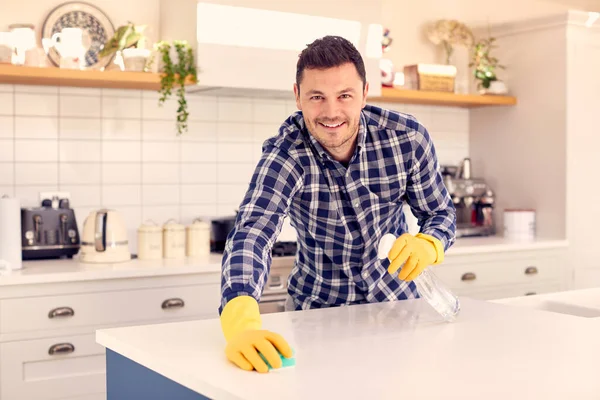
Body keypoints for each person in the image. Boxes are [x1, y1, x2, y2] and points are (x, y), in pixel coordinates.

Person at [218, 35, 456, 373]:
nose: (331, 113)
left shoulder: (407, 139)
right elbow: (253, 233)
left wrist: (429, 244)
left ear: (364, 93)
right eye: (317, 97)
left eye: (344, 95)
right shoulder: (286, 155)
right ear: (297, 96)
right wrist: (240, 318)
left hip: (400, 312)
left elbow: (440, 213)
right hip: (316, 317)